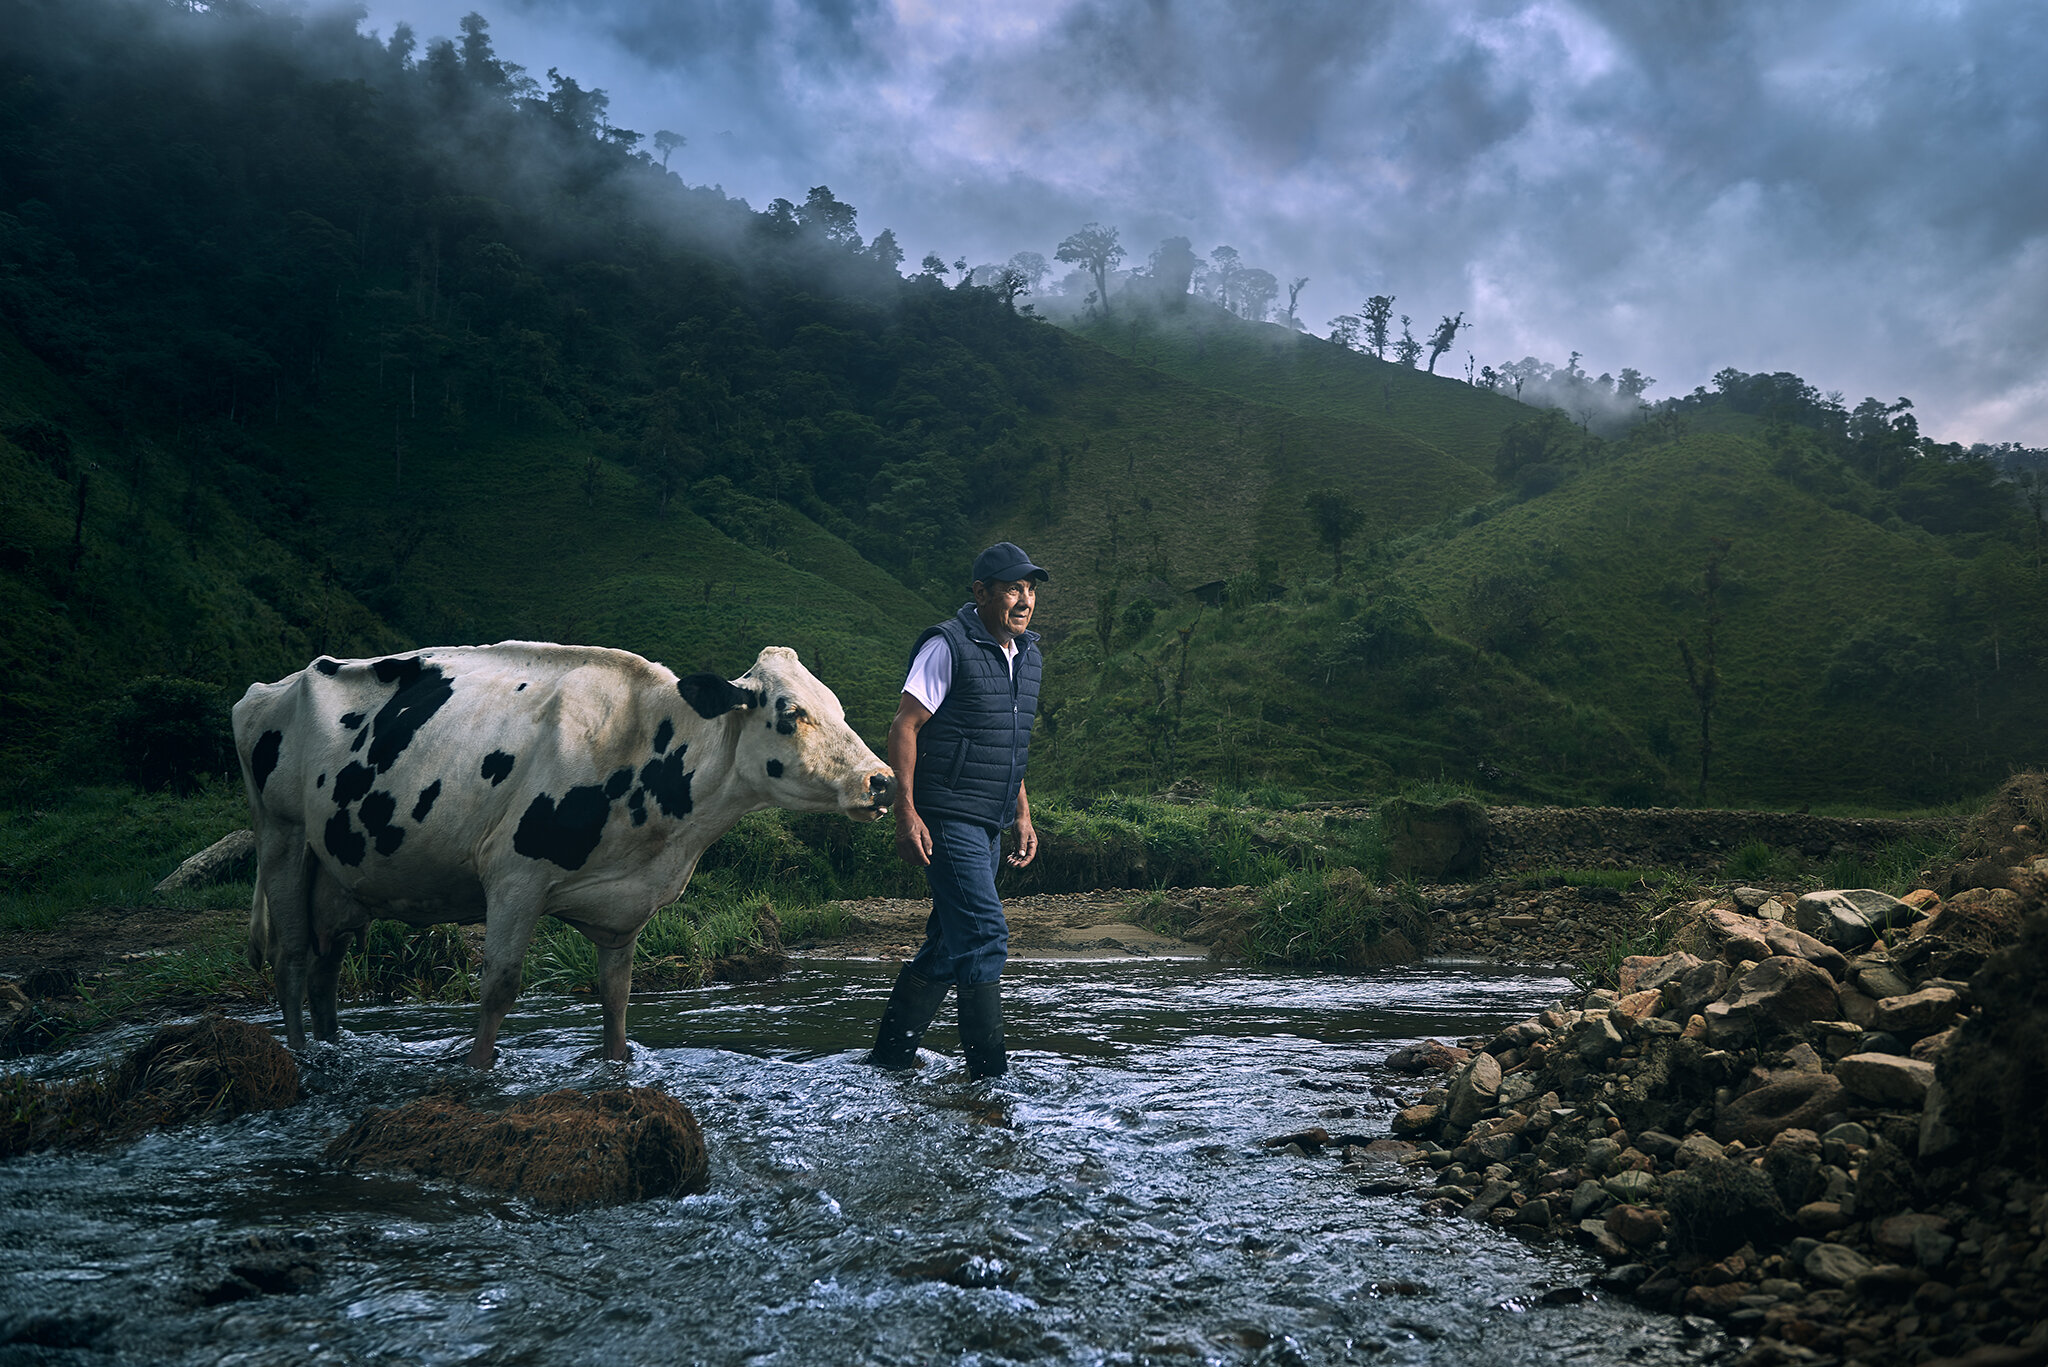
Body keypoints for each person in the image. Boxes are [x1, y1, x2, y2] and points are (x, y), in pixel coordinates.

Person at [865, 542, 1047, 1078]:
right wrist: (906, 813)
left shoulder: (1028, 654)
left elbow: (1005, 744)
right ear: (982, 593)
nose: (1024, 600)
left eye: (1030, 589)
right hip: (947, 816)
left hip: (990, 819)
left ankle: (889, 1060)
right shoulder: (948, 646)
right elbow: (905, 726)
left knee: (948, 945)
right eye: (1013, 588)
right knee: (986, 934)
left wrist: (1022, 814)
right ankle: (989, 1080)